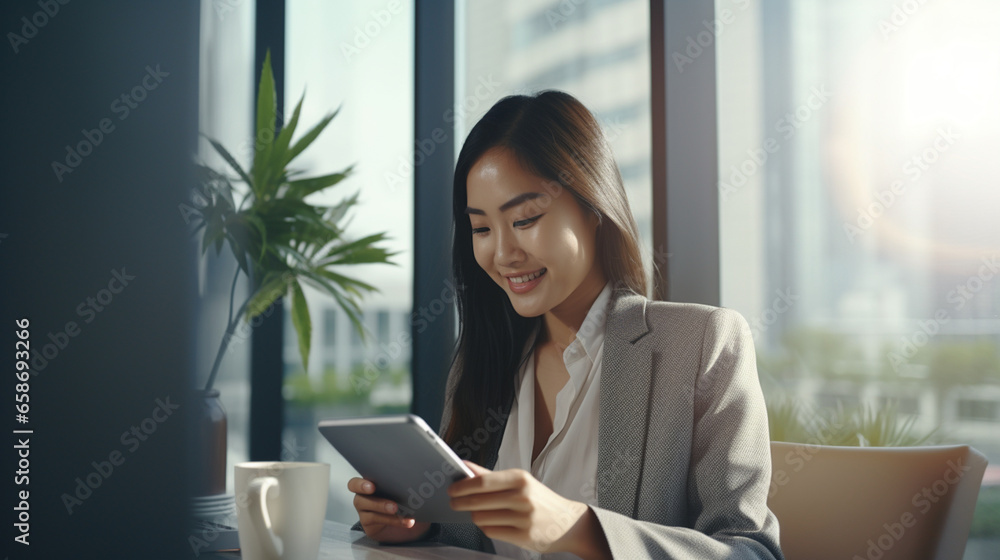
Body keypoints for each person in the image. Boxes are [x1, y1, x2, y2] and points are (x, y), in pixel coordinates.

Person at [349, 90, 783, 559]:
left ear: (593, 208)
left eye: (525, 219)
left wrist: (578, 528)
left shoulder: (701, 345)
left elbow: (752, 551)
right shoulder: (483, 365)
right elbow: (467, 539)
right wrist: (415, 526)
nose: (502, 253)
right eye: (481, 229)